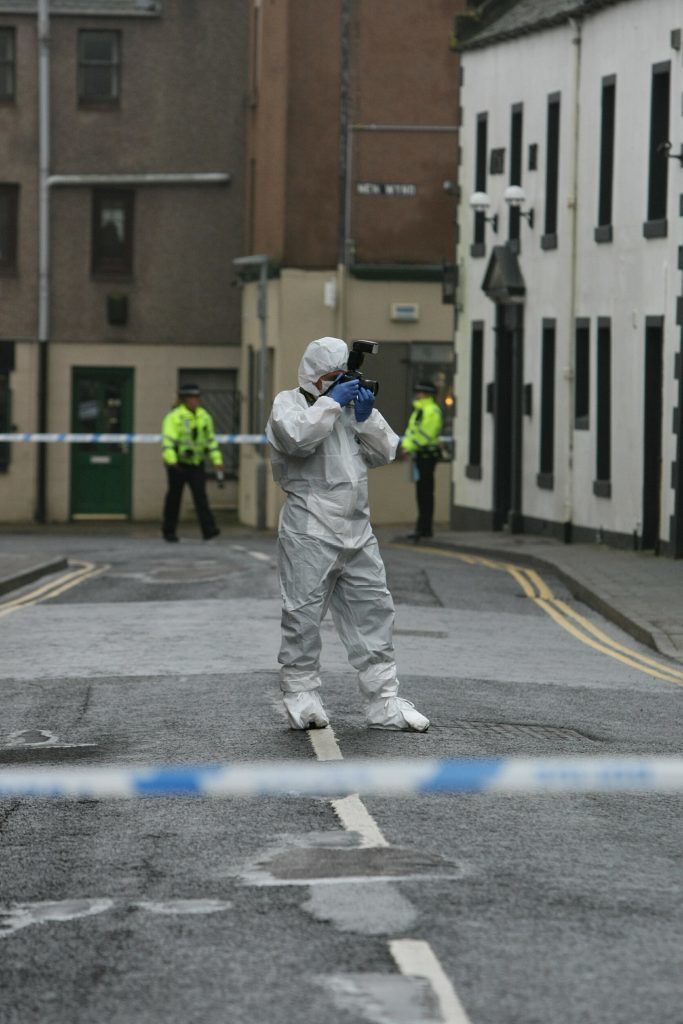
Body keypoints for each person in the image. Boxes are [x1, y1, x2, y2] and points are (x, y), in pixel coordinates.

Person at [265, 336, 429, 732]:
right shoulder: (291, 404)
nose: (343, 382)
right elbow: (297, 440)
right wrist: (332, 402)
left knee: (375, 612)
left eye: (347, 376)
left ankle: (383, 702)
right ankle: (301, 693)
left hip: (357, 529)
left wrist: (365, 416)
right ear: (315, 375)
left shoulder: (346, 409)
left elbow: (385, 451)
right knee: (303, 614)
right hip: (309, 529)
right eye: (335, 376)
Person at [160, 383, 223, 542]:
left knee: (201, 497)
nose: (195, 401)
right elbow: (167, 441)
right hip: (178, 464)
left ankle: (209, 531)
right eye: (192, 398)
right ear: (184, 400)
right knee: (174, 498)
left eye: (197, 397)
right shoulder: (174, 417)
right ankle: (169, 532)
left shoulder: (204, 416)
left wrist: (217, 460)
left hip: (196, 463)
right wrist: (172, 461)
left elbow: (210, 441)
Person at [400, 381, 443, 541]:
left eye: (421, 392)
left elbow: (426, 434)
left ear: (428, 394)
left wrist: (409, 447)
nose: (418, 394)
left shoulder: (431, 410)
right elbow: (411, 431)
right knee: (422, 493)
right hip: (419, 455)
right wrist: (406, 445)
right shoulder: (419, 410)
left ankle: (425, 528)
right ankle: (422, 528)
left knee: (425, 493)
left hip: (427, 456)